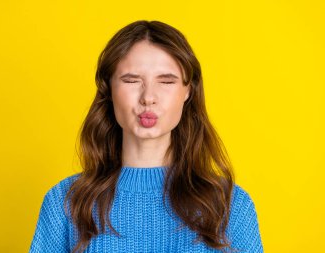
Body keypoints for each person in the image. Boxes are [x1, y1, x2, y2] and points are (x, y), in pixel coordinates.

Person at [29, 20, 263, 253]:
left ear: (188, 91)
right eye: (131, 80)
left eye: (166, 81)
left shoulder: (231, 206)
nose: (148, 97)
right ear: (109, 89)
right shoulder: (66, 202)